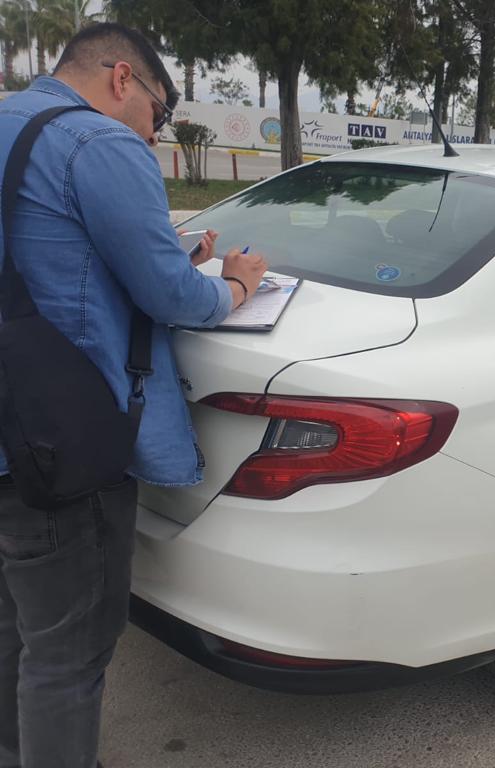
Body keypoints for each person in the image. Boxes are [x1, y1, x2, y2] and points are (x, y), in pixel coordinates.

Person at [0, 23, 267, 768]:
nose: (155, 130)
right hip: (61, 446)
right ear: (124, 79)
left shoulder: (7, 122)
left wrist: (175, 249)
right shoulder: (99, 143)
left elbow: (46, 253)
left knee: (14, 636)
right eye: (160, 111)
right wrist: (237, 283)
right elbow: (171, 297)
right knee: (69, 655)